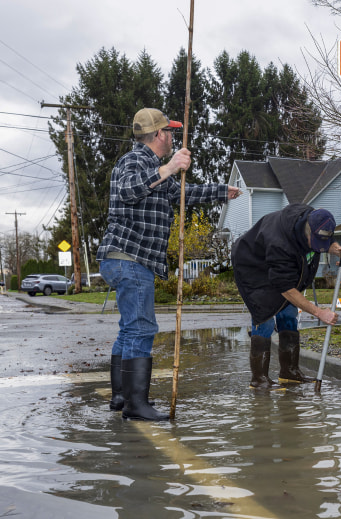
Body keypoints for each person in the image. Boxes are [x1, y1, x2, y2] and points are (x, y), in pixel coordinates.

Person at [97, 107, 241, 420]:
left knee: (129, 330)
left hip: (128, 260)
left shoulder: (152, 168)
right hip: (128, 258)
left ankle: (122, 396)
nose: (174, 137)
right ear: (159, 134)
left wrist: (221, 192)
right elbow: (127, 191)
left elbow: (182, 195)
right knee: (141, 328)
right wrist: (170, 167)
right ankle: (136, 405)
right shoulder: (134, 161)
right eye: (170, 132)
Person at [231, 204, 341, 389]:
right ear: (306, 232)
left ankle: (289, 373)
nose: (318, 248)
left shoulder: (316, 219)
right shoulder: (280, 244)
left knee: (288, 312)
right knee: (265, 316)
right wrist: (318, 312)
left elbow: (325, 238)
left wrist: (333, 247)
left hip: (279, 266)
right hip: (253, 266)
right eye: (316, 243)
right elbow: (285, 288)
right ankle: (259, 379)